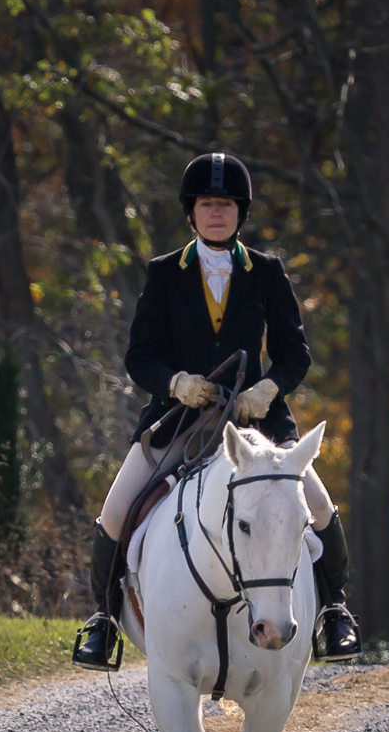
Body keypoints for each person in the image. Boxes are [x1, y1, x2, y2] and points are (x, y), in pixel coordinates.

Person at [72, 152, 360, 668]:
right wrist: (176, 382)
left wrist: (268, 390)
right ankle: (104, 620)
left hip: (257, 424)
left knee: (317, 505)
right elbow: (139, 356)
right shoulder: (164, 273)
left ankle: (335, 612)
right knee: (116, 511)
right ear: (192, 212)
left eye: (226, 204)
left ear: (240, 212)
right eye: (207, 203)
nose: (216, 213)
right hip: (181, 419)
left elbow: (296, 352)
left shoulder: (267, 272)